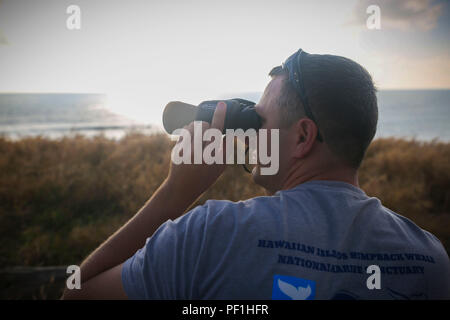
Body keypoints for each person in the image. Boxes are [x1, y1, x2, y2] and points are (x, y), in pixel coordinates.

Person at [62, 49, 450, 300]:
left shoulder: (210, 234)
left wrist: (174, 194)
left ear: (302, 137)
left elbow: (76, 295)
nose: (251, 135)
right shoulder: (429, 260)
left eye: (259, 120)